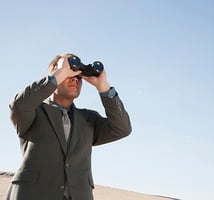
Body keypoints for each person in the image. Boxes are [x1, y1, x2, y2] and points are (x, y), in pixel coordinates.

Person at [5, 53, 132, 200]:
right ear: (56, 74)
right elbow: (18, 106)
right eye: (69, 72)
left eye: (78, 76)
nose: (74, 79)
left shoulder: (89, 119)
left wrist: (103, 87)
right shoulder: (33, 111)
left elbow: (122, 128)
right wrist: (59, 74)